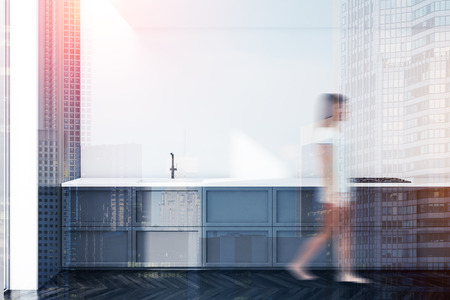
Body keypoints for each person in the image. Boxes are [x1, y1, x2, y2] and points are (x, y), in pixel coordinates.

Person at [288, 93, 370, 283]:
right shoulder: (326, 134)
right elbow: (326, 165)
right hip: (334, 192)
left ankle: (345, 272)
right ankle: (298, 265)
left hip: (342, 190)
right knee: (328, 233)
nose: (346, 111)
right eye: (341, 107)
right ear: (332, 109)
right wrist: (334, 193)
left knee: (343, 234)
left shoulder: (336, 133)